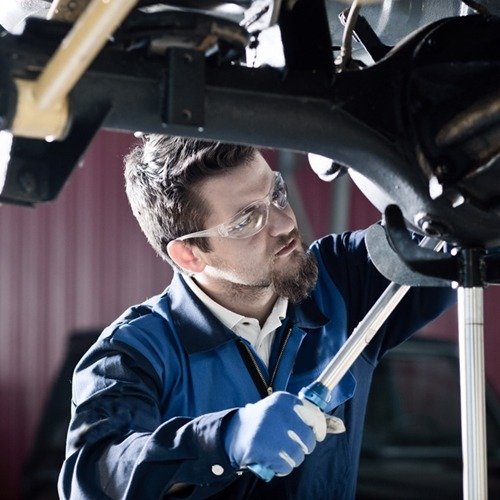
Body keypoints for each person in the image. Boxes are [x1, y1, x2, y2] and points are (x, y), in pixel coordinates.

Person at [58, 135, 455, 499]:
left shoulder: (343, 282)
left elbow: (449, 234)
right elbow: (93, 476)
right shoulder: (135, 354)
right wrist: (226, 439)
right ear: (190, 254)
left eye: (277, 194)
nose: (285, 224)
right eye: (248, 219)